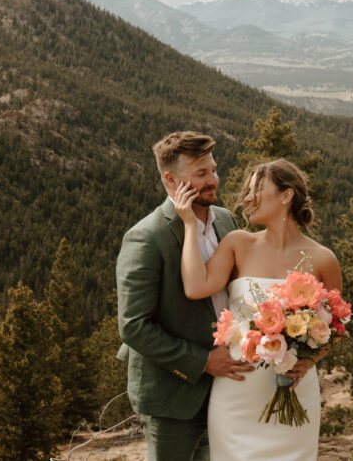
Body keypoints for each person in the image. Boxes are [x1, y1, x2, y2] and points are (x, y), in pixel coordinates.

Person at [175, 158, 343, 461]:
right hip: (237, 394)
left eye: (255, 190)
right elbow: (195, 286)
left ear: (286, 196)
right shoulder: (238, 243)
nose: (246, 200)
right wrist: (189, 223)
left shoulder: (323, 259)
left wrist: (311, 359)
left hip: (295, 392)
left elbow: (336, 328)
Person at [116, 131, 254, 461]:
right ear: (171, 179)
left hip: (225, 389)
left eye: (213, 170)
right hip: (171, 394)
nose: (213, 180)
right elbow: (133, 326)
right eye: (201, 174)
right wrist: (203, 361)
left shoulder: (225, 219)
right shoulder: (146, 237)